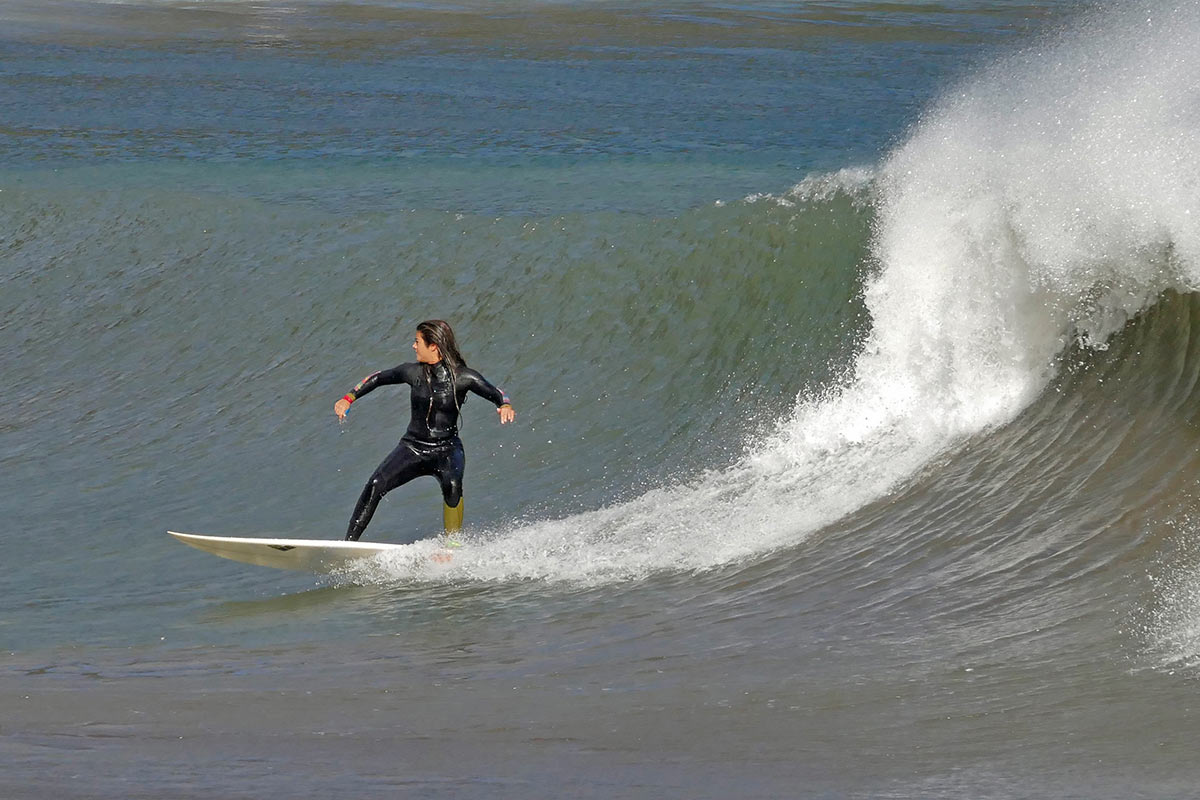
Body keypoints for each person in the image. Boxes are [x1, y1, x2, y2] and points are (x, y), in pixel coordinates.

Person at [334, 319, 515, 542]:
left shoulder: (463, 377)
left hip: (446, 450)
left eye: (417, 341)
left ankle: (453, 546)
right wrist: (348, 398)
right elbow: (378, 377)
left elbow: (497, 392)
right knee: (375, 485)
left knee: (453, 487)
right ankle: (349, 544)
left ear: (433, 346)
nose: (413, 346)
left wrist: (504, 405)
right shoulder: (413, 373)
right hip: (413, 447)